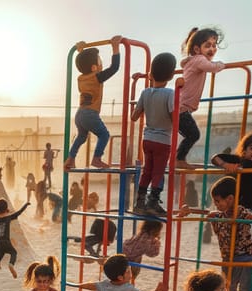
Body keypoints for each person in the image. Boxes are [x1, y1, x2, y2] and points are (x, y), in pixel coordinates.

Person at [204, 176, 252, 291]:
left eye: (218, 201)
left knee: (245, 286)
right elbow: (215, 218)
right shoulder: (222, 214)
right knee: (227, 284)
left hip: (243, 257)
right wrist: (212, 216)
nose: (216, 204)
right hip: (228, 257)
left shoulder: (241, 212)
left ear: (230, 199)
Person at [63, 36, 122, 171]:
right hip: (90, 114)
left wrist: (81, 52)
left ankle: (70, 159)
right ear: (94, 67)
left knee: (82, 136)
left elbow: (85, 65)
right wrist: (115, 48)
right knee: (104, 135)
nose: (101, 64)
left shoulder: (81, 78)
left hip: (79, 114)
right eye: (100, 61)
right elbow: (114, 68)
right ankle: (97, 158)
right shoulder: (97, 77)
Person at [131, 52, 177, 216]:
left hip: (147, 139)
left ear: (150, 74)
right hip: (163, 140)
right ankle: (153, 202)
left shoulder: (145, 93)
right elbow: (174, 118)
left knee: (147, 171)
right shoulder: (170, 93)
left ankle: (139, 203)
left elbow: (134, 117)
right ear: (172, 75)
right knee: (158, 172)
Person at [176, 28, 225, 169]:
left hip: (180, 106)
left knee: (189, 134)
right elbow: (212, 67)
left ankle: (178, 159)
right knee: (193, 134)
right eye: (207, 45)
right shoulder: (199, 60)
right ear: (197, 49)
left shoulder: (193, 60)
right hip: (182, 107)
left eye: (214, 45)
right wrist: (221, 65)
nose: (212, 49)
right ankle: (178, 159)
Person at [211, 130, 252, 210]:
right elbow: (215, 158)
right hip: (235, 201)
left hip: (250, 204)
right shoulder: (238, 159)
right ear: (244, 150)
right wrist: (226, 165)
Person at [0, 198, 29, 278]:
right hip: (6, 241)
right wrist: (26, 205)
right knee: (13, 253)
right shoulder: (8, 217)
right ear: (6, 208)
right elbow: (19, 212)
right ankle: (11, 264)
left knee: (1, 252)